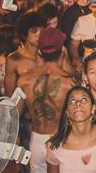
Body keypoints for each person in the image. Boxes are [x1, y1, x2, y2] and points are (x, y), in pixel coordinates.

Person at [18, 27, 76, 173]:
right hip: (61, 139)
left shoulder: (24, 80)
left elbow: (15, 115)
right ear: (62, 50)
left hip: (37, 139)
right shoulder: (70, 82)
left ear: (39, 52)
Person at [46, 86, 96, 173]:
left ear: (93, 109)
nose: (78, 104)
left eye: (84, 100)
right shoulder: (55, 146)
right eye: (72, 101)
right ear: (67, 112)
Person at [5, 11, 45, 98]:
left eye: (42, 30)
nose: (39, 34)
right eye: (34, 31)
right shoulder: (14, 59)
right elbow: (10, 95)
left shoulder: (50, 54)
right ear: (24, 34)